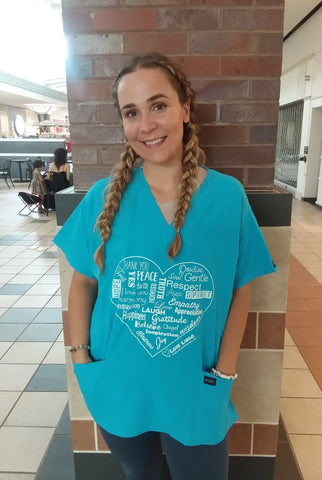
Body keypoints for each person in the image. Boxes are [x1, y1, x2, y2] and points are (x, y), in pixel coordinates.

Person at [54, 53, 277, 480]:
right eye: (131, 113)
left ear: (185, 110)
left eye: (159, 105)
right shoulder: (104, 197)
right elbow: (83, 284)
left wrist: (225, 370)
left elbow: (239, 289)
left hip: (195, 386)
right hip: (117, 380)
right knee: (140, 474)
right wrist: (80, 358)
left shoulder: (228, 198)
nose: (147, 125)